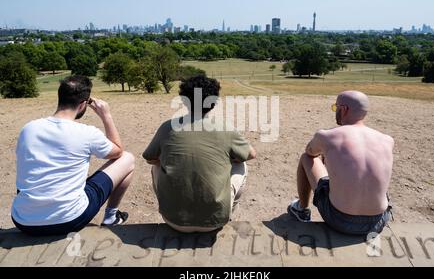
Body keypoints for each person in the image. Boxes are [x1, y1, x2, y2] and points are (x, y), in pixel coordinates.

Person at [11, 76, 134, 236]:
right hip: (70, 219)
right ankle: (111, 217)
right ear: (83, 104)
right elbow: (118, 151)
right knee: (128, 158)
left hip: (23, 220)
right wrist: (106, 116)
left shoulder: (28, 129)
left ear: (60, 97)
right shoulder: (87, 133)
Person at [143, 75, 257, 233]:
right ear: (214, 102)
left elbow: (149, 158)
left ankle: (172, 203)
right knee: (241, 164)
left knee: (157, 166)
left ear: (184, 100)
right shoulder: (224, 127)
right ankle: (230, 210)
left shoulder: (167, 127)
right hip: (215, 221)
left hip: (172, 220)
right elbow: (251, 154)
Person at [288, 91, 394, 235]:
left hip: (339, 220)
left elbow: (310, 152)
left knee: (306, 158)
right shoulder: (387, 140)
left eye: (335, 107)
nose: (335, 111)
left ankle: (301, 209)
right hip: (378, 221)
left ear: (343, 110)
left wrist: (327, 156)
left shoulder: (327, 136)